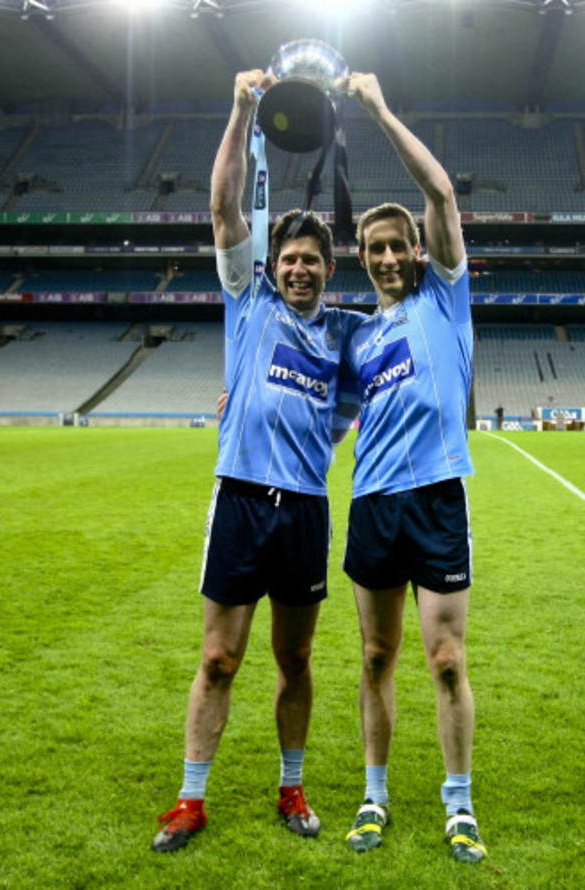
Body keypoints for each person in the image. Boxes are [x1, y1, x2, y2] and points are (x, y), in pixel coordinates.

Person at [152, 69, 361, 854]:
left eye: (312, 260)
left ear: (328, 269)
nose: (299, 268)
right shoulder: (249, 300)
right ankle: (190, 799)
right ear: (272, 264)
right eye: (290, 258)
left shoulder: (345, 335)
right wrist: (241, 110)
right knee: (218, 657)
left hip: (304, 508)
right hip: (240, 499)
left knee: (295, 658)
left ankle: (292, 787)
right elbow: (222, 206)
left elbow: (345, 412)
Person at [341, 73, 486, 863]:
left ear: (418, 250)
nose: (390, 257)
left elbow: (440, 190)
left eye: (400, 245)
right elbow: (321, 410)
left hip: (435, 498)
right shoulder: (359, 339)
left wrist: (378, 110)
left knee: (447, 661)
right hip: (372, 503)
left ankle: (458, 804)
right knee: (375, 658)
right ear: (362, 259)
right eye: (376, 249)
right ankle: (374, 796)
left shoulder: (445, 298)